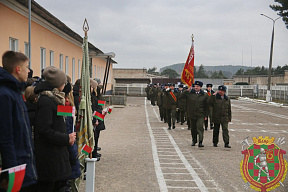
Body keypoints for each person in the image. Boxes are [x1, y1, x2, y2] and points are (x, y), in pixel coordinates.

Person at [0, 51, 37, 191]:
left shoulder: (15, 92)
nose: (29, 71)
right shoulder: (5, 94)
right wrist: (13, 172)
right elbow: (6, 136)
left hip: (23, 164)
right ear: (18, 69)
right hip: (15, 168)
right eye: (27, 67)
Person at [34, 66, 76, 192]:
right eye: (63, 82)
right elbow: (44, 130)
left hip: (55, 156)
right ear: (58, 84)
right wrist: (66, 138)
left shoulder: (54, 99)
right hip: (50, 158)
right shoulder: (46, 101)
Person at [180, 81, 208, 147]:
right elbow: (181, 97)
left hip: (200, 114)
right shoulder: (189, 94)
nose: (196, 87)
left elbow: (206, 106)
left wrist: (206, 115)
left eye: (197, 86)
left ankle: (200, 141)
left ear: (200, 87)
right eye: (195, 86)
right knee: (193, 128)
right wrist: (187, 90)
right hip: (192, 114)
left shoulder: (204, 95)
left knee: (200, 127)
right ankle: (194, 140)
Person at [90, 79, 105, 160]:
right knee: (92, 139)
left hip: (96, 117)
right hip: (94, 118)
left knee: (95, 137)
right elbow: (93, 109)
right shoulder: (92, 97)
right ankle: (92, 154)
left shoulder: (95, 96)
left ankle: (94, 153)